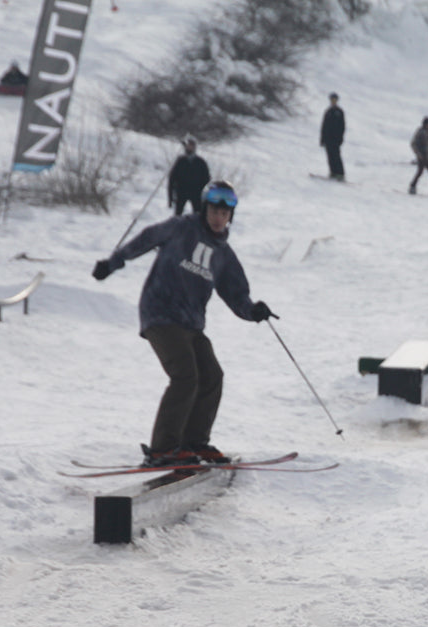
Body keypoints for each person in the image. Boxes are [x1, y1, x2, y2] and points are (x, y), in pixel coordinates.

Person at [91, 181, 277, 468]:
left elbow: (236, 294)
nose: (219, 218)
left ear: (230, 217)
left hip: (191, 323)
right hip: (160, 313)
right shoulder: (182, 227)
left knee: (212, 375)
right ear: (205, 210)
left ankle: (193, 441)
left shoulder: (223, 254)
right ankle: (162, 448)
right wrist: (112, 263)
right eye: (214, 211)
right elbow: (146, 239)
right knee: (185, 375)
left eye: (225, 214)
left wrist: (253, 311)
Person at [167, 135, 211, 216]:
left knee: (198, 215)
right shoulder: (180, 161)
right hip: (181, 191)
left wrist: (205, 196)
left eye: (192, 145)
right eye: (188, 145)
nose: (190, 147)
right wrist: (170, 197)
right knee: (178, 215)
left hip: (196, 193)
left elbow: (207, 180)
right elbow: (172, 179)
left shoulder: (200, 162)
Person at [409, 117, 428, 197]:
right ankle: (412, 186)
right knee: (420, 172)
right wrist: (418, 154)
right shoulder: (420, 132)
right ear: (425, 124)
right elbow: (414, 144)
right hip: (422, 157)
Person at [319, 92, 346, 181]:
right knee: (330, 155)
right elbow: (324, 126)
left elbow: (342, 126)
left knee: (336, 156)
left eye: (334, 100)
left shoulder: (339, 112)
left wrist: (340, 138)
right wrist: (322, 139)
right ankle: (333, 172)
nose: (333, 101)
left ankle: (340, 174)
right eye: (332, 100)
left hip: (336, 138)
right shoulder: (328, 111)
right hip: (328, 138)